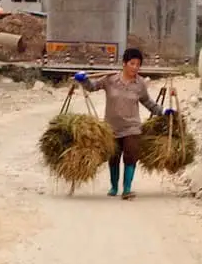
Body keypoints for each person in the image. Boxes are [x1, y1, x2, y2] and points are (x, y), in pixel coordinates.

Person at [73, 48, 175, 200]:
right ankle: (114, 186)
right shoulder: (110, 79)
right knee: (113, 157)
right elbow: (92, 87)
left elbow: (148, 103)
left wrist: (163, 111)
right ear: (124, 64)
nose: (135, 67)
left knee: (131, 155)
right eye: (132, 63)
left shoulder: (140, 84)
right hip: (111, 128)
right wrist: (83, 80)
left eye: (138, 64)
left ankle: (127, 189)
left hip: (132, 127)